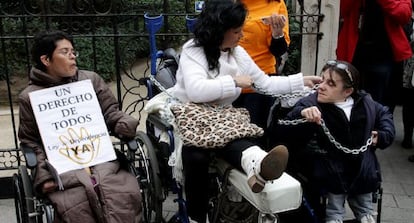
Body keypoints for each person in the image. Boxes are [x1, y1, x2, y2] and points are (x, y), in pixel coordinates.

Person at [166, 0, 321, 222]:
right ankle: (196, 217)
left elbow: (265, 84)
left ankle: (260, 166)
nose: (241, 36)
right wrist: (234, 82)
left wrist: (300, 82)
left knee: (237, 138)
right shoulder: (193, 50)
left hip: (221, 116)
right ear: (219, 31)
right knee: (196, 155)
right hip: (191, 115)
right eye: (237, 31)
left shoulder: (237, 53)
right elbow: (196, 91)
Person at [18, 30, 142, 222]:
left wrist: (123, 123)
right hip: (63, 166)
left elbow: (110, 111)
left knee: (116, 191)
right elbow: (30, 140)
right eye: (65, 52)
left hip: (99, 157)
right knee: (77, 201)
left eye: (73, 51)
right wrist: (43, 175)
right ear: (46, 60)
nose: (72, 56)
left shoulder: (90, 80)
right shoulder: (30, 96)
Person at [279, 60, 395, 223]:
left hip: (362, 172)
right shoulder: (313, 103)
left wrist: (383, 135)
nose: (321, 86)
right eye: (322, 79)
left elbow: (385, 115)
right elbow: (286, 124)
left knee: (367, 215)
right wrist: (302, 113)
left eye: (331, 83)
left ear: (347, 91)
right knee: (334, 216)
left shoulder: (365, 103)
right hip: (331, 173)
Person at [336, 0, 412, 113]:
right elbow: (342, 10)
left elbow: (404, 15)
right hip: (355, 54)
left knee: (380, 105)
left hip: (384, 56)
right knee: (350, 101)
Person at [234, 0, 290, 147]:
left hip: (260, 81)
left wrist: (277, 33)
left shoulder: (276, 4)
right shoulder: (228, 3)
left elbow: (279, 50)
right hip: (229, 79)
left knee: (256, 138)